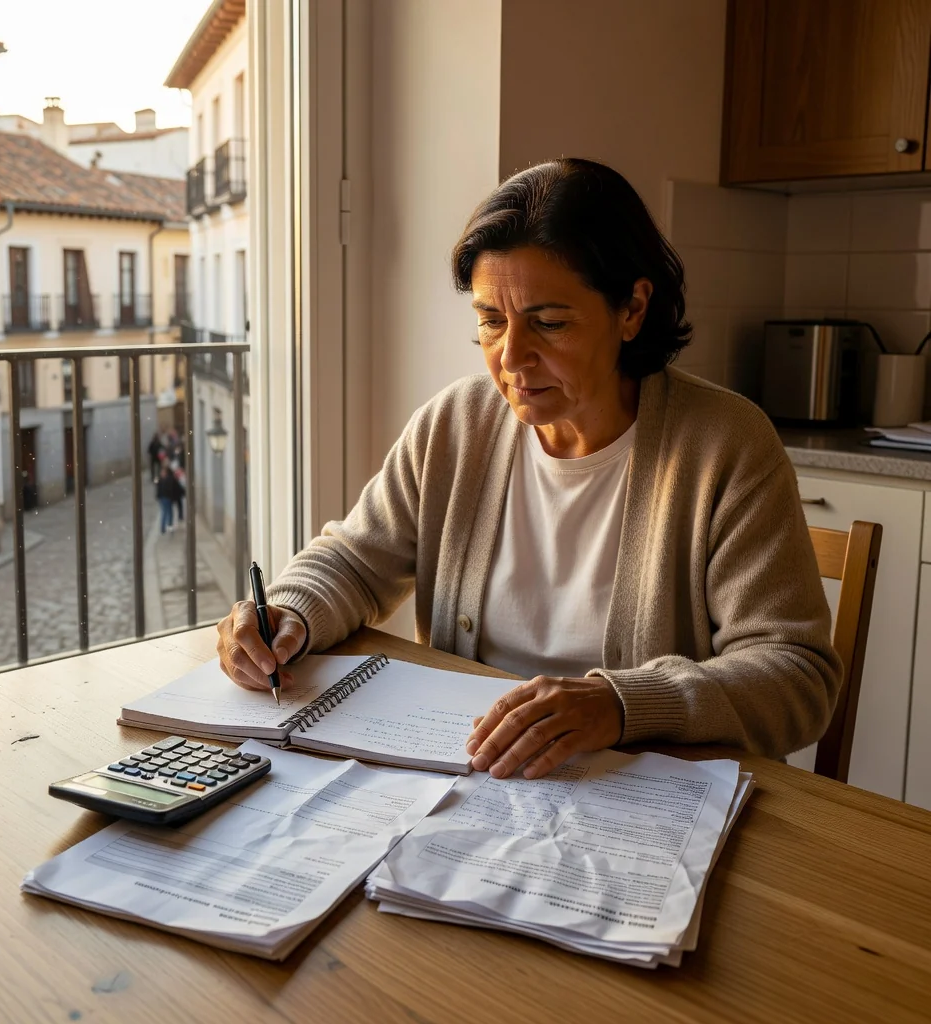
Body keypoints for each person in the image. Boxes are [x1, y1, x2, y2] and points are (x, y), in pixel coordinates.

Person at [216, 158, 841, 781]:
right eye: (491, 321)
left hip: (644, 796)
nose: (512, 357)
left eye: (549, 322)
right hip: (476, 779)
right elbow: (354, 560)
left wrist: (621, 705)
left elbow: (795, 674)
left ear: (632, 309)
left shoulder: (725, 445)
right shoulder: (455, 425)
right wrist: (289, 613)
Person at [156, 465, 177, 534]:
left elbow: (171, 489)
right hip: (163, 498)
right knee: (165, 512)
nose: (162, 473)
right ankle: (164, 527)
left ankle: (167, 526)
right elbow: (158, 489)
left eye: (163, 472)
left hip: (167, 497)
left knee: (168, 512)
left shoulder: (168, 479)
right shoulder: (161, 480)